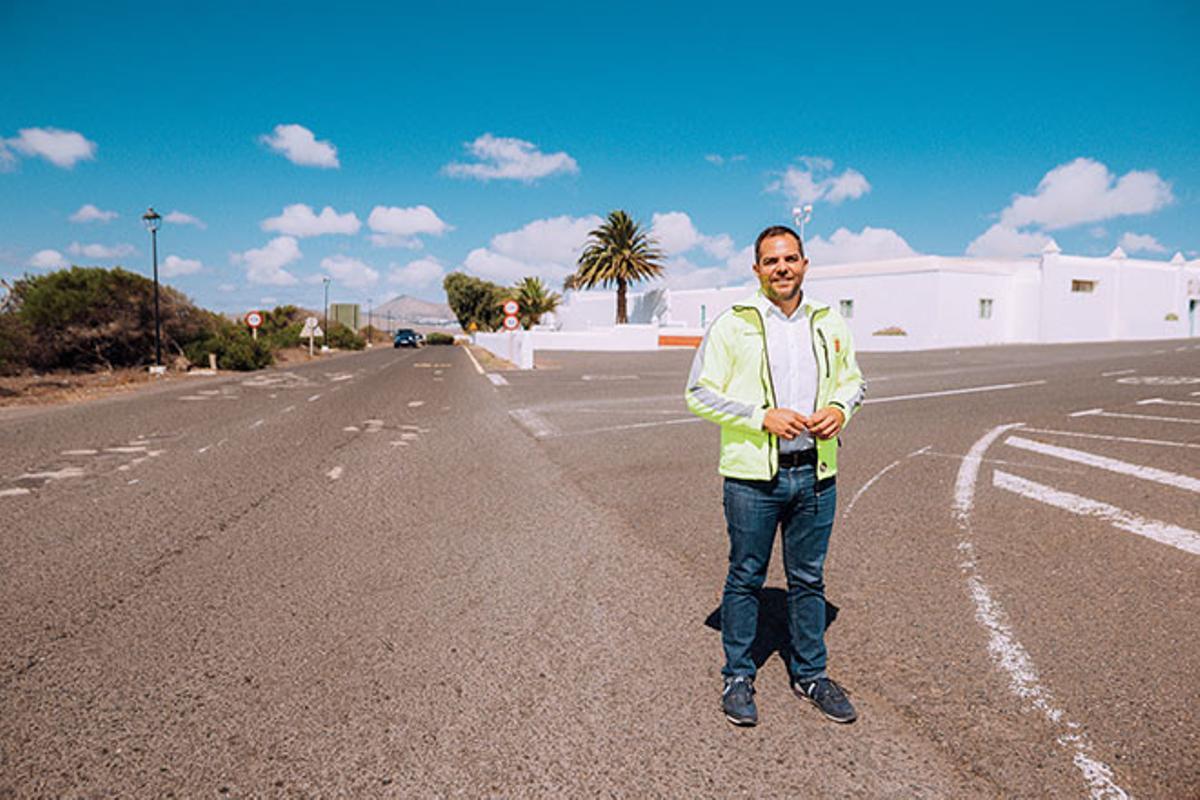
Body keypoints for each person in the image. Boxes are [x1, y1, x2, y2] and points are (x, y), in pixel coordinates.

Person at [685, 224, 866, 726]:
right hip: (753, 479)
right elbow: (698, 392)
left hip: (815, 472)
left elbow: (855, 381)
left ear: (805, 263)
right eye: (771, 261)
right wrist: (759, 416)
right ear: (757, 269)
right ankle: (738, 676)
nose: (782, 268)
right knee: (746, 576)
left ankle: (811, 674)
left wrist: (839, 407)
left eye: (790, 259)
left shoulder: (830, 322)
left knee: (808, 578)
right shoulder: (732, 323)